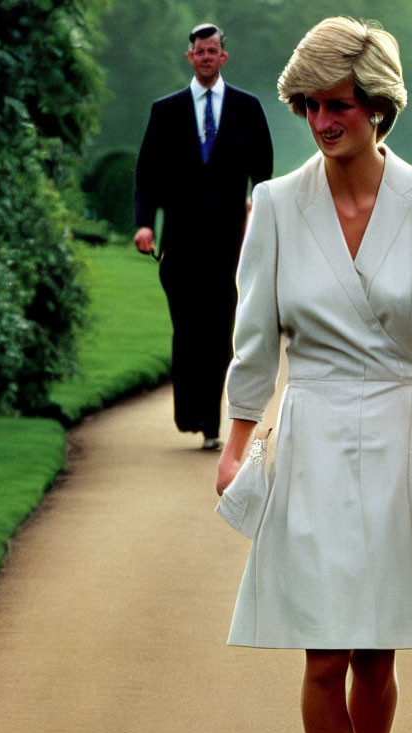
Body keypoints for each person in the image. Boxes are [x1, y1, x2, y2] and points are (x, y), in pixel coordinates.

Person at [216, 16, 412, 733]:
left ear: (379, 108)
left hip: (401, 430)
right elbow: (255, 342)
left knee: (375, 658)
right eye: (310, 105)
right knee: (325, 656)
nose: (322, 122)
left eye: (339, 105)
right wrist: (236, 449)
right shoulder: (273, 204)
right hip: (312, 437)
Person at [134, 23, 273, 449]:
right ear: (190, 57)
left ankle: (213, 424)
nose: (207, 57)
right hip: (179, 242)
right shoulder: (166, 111)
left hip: (229, 243)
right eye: (200, 51)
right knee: (187, 328)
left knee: (219, 329)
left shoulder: (247, 108)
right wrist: (144, 224)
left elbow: (264, 174)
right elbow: (147, 174)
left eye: (214, 51)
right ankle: (192, 412)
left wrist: (259, 212)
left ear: (223, 58)